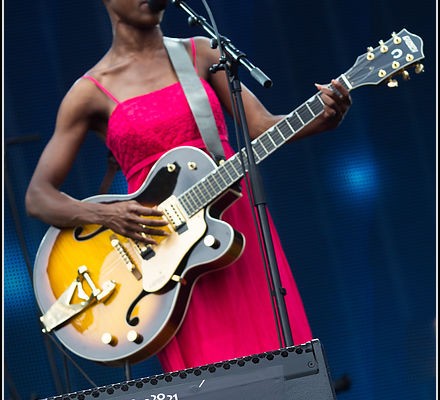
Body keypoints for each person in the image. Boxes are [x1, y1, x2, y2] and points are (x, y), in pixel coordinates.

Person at [25, 0, 352, 372]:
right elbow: (39, 196)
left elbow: (261, 127)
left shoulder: (201, 53)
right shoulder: (89, 92)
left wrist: (323, 116)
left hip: (233, 229)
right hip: (163, 259)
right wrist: (107, 214)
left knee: (281, 364)